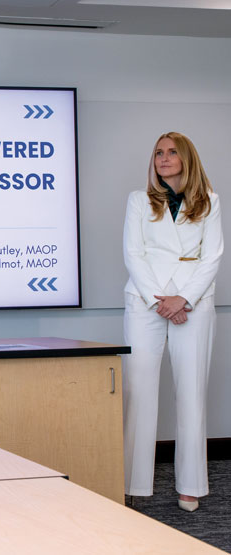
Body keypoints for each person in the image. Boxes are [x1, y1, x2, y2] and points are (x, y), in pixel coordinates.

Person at [122, 132, 223, 512]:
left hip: (192, 302)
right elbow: (133, 253)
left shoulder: (210, 201)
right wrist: (159, 300)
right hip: (146, 300)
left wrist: (184, 298)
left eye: (171, 152)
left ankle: (192, 484)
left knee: (192, 392)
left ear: (186, 158)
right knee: (138, 390)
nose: (163, 159)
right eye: (158, 153)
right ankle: (134, 481)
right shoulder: (138, 200)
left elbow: (211, 257)